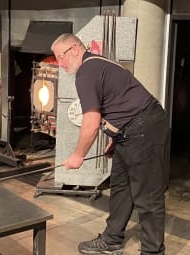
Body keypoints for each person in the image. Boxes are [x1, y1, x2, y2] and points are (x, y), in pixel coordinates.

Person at [51, 33, 169, 255]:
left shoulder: (86, 72)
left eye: (60, 57)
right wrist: (115, 139)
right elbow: (116, 101)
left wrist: (78, 155)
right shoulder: (95, 65)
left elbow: (92, 121)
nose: (60, 63)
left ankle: (153, 252)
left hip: (143, 128)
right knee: (121, 188)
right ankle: (112, 239)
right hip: (130, 131)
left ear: (74, 49)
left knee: (147, 195)